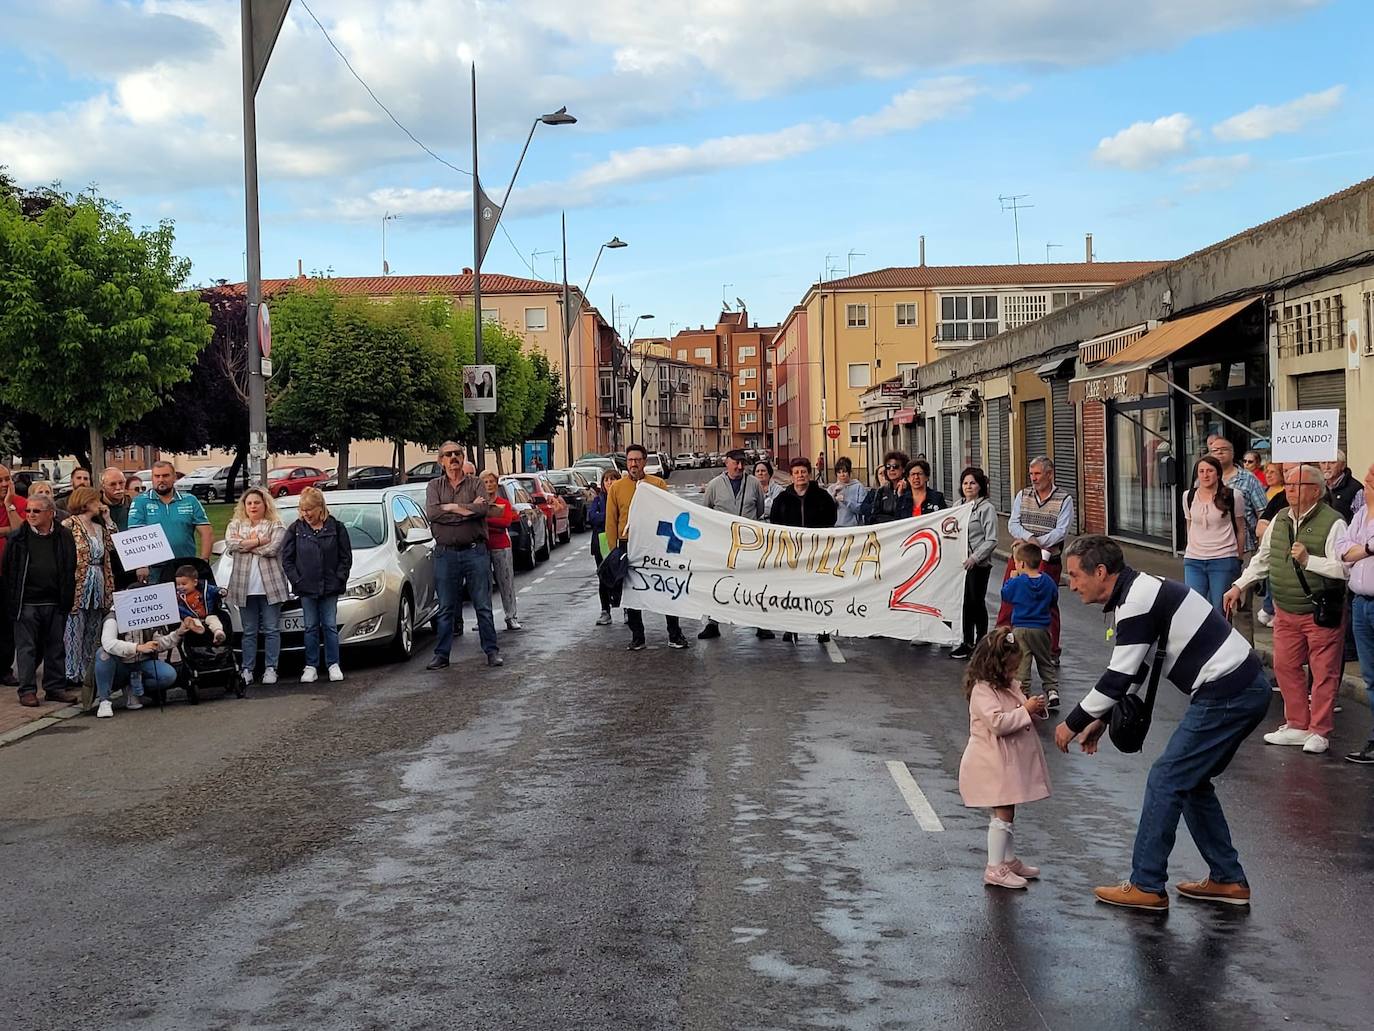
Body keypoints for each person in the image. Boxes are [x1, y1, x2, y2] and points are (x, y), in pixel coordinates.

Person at [1056, 535, 1269, 911]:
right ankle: (1228, 879)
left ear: (1101, 572)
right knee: (1190, 780)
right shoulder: (1137, 591)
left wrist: (1071, 723)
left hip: (1229, 690)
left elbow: (1118, 676)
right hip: (1239, 686)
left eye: (1074, 575)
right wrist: (1102, 719)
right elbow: (1135, 666)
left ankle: (1147, 884)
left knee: (1167, 778)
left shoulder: (1137, 599)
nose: (1070, 584)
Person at [1223, 464, 1348, 756]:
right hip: (1286, 610)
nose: (1289, 490)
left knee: (1323, 672)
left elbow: (1345, 568)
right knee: (1285, 666)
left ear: (1315, 491)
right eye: (1288, 485)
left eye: (1296, 485)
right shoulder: (1280, 519)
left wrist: (1309, 561)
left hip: (1320, 610)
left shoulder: (1334, 523)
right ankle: (1297, 724)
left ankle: (1319, 730)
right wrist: (1239, 586)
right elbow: (1262, 560)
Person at [958, 626, 1050, 889]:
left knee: (1008, 809)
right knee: (1004, 811)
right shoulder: (982, 691)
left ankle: (1007, 860)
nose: (1014, 673)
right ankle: (995, 867)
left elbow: (1018, 709)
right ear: (995, 666)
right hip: (992, 763)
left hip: (1005, 762)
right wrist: (1026, 710)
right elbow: (998, 723)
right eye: (1010, 668)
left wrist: (1033, 708)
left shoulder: (1007, 685)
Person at [424, 443, 501, 669]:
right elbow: (433, 513)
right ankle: (442, 655)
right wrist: (465, 510)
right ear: (441, 461)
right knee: (446, 608)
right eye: (448, 455)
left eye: (457, 453)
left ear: (462, 456)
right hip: (446, 554)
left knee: (483, 606)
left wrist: (450, 508)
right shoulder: (434, 486)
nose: (453, 458)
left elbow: (482, 510)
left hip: (475, 552)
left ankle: (491, 651)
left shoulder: (476, 483)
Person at [606, 443, 687, 651]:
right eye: (630, 460)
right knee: (632, 592)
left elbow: (668, 513)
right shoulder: (616, 488)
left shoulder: (657, 484)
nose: (634, 464)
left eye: (638, 460)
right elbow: (611, 521)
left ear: (644, 462)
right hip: (628, 545)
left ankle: (674, 634)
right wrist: (613, 551)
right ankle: (637, 636)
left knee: (667, 587)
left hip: (654, 544)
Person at [996, 456, 1074, 661]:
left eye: (1037, 473)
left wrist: (1035, 542)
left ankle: (1051, 650)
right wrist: (1030, 539)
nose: (1033, 478)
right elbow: (1013, 523)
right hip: (1020, 556)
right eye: (1031, 474)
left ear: (1050, 474)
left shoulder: (1064, 499)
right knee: (1010, 598)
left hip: (1048, 560)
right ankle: (1001, 644)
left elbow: (1061, 531)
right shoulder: (1023, 495)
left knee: (1047, 603)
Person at [3, 494, 78, 707]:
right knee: (26, 649)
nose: (30, 515)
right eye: (28, 511)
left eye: (36, 511)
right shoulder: (18, 538)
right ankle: (26, 691)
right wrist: (13, 600)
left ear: (50, 513)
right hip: (26, 603)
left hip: (55, 601)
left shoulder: (64, 535)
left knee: (55, 647)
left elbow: (70, 566)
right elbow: (9, 570)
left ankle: (55, 688)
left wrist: (67, 596)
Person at [282, 487, 353, 683]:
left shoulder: (336, 528)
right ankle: (311, 665)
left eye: (309, 509)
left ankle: (333, 663)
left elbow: (345, 557)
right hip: (306, 587)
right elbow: (287, 559)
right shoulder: (295, 530)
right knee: (311, 627)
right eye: (303, 510)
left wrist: (340, 578)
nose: (306, 514)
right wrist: (297, 579)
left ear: (320, 508)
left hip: (330, 586)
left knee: (329, 625)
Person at [224, 487, 289, 686]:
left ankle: (271, 668)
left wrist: (246, 545)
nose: (253, 506)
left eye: (257, 503)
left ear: (265, 505)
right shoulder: (235, 524)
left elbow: (273, 549)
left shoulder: (276, 524)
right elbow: (231, 544)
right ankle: (247, 669)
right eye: (249, 503)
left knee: (271, 629)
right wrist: (260, 540)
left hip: (270, 586)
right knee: (249, 631)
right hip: (244, 587)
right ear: (244, 506)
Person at [698, 449, 765, 640]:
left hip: (749, 544)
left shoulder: (753, 484)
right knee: (718, 582)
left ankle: (762, 623)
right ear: (726, 463)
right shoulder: (714, 485)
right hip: (722, 544)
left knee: (755, 584)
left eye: (742, 462)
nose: (739, 466)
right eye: (735, 462)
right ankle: (712, 622)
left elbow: (759, 510)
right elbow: (707, 511)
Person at [770, 456, 838, 644]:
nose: (800, 475)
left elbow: (831, 520)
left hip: (817, 554)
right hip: (791, 555)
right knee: (791, 592)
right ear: (791, 476)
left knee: (819, 592)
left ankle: (822, 628)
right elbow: (775, 524)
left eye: (803, 472)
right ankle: (791, 627)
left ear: (809, 474)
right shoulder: (782, 499)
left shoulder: (823, 497)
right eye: (796, 472)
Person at [60, 486, 115, 690]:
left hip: (98, 579)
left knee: (93, 627)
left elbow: (113, 545)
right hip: (78, 581)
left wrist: (108, 519)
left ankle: (87, 670)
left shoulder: (99, 527)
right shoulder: (69, 525)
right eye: (96, 500)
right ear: (86, 502)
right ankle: (71, 671)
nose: (100, 503)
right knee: (74, 627)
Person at [1338, 461, 1374, 764]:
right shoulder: (1361, 513)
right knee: (1370, 676)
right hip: (1361, 603)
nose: (1369, 478)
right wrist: (1365, 548)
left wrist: (1359, 548)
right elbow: (1343, 549)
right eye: (1370, 473)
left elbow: (1356, 548)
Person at [127, 460, 212, 581]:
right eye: (157, 476)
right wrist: (141, 565)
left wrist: (204, 561)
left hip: (185, 567)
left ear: (174, 477)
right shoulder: (141, 502)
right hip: (155, 569)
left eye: (165, 475)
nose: (161, 479)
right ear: (152, 478)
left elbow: (206, 532)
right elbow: (135, 534)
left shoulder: (190, 500)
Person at [1181, 456, 1245, 614]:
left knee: (1220, 609)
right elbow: (1190, 525)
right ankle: (1200, 639)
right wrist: (1190, 548)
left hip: (1223, 559)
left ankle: (1222, 639)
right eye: (1201, 471)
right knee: (1194, 607)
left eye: (1210, 471)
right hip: (1194, 559)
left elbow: (1241, 529)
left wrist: (1239, 558)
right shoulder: (1188, 496)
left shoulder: (1233, 496)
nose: (1205, 475)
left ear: (1218, 474)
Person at [91, 611, 185, 719]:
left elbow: (158, 643)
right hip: (119, 666)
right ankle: (104, 701)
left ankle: (133, 687)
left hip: (141, 664)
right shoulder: (113, 618)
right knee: (103, 654)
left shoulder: (145, 612)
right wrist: (137, 647)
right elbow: (108, 643)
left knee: (169, 675)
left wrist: (179, 633)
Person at [1001, 542, 1059, 706]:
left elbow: (1006, 596)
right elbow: (1054, 599)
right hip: (1041, 628)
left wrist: (1011, 580)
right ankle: (1052, 691)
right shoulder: (1048, 581)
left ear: (1022, 564)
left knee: (1023, 662)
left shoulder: (1017, 582)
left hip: (1020, 627)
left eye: (1016, 562)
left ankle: (1023, 693)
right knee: (1045, 661)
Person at [951, 467, 998, 661]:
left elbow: (992, 539)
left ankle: (981, 641)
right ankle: (966, 641)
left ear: (980, 486)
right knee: (964, 604)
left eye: (972, 483)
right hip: (960, 565)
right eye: (965, 483)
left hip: (978, 564)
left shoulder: (986, 509)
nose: (968, 486)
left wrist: (975, 557)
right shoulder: (958, 506)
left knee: (976, 602)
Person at [1207, 437, 1266, 552]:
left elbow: (1262, 512)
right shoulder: (1204, 480)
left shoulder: (1248, 479)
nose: (1219, 452)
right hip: (1211, 547)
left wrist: (1262, 543)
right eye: (1215, 450)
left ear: (1232, 453)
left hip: (1243, 547)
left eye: (1224, 449)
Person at [481, 470, 521, 632]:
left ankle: (511, 616)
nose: (489, 485)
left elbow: (505, 522)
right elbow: (475, 521)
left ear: (496, 484)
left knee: (506, 582)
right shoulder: (479, 504)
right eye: (485, 482)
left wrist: (486, 521)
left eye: (491, 481)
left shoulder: (503, 502)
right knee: (483, 585)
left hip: (501, 546)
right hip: (482, 547)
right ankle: (484, 618)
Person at [0, 465, 28, 688]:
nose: (4, 484)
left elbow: (20, 531)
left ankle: (4, 669)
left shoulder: (18, 503)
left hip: (9, 575)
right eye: (0, 480)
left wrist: (8, 504)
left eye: (7, 479)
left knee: (7, 624)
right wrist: (5, 530)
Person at [589, 469, 622, 626]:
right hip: (601, 543)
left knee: (622, 576)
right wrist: (611, 516)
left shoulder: (622, 498)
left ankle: (627, 609)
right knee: (603, 576)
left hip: (620, 542)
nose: (609, 482)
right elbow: (593, 517)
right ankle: (605, 610)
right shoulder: (598, 500)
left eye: (612, 479)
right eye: (606, 480)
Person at [173, 564, 228, 646]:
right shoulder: (178, 597)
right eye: (178, 584)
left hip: (207, 614)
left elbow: (213, 590)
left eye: (184, 584)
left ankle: (218, 632)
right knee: (192, 621)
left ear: (195, 582)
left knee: (214, 619)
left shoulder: (204, 589)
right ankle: (198, 628)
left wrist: (221, 591)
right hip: (192, 617)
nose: (180, 587)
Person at [860, 450, 909, 524]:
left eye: (895, 466)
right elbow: (873, 516)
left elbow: (907, 517)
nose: (891, 469)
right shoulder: (882, 491)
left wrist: (900, 496)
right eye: (888, 467)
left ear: (903, 469)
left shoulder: (910, 490)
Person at [1320, 450, 1362, 522]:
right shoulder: (1318, 488)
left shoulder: (1355, 489)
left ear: (1343, 465)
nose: (1326, 467)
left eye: (1332, 463)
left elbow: (1361, 519)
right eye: (1323, 463)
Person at [828, 457, 869, 528]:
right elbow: (825, 510)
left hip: (853, 527)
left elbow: (861, 509)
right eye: (839, 472)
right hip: (835, 527)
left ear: (849, 472)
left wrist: (845, 500)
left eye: (844, 472)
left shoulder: (858, 487)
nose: (842, 475)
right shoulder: (831, 488)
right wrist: (833, 497)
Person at [99, 467, 132, 532]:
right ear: (103, 487)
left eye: (121, 483)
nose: (118, 487)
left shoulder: (133, 505)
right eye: (112, 484)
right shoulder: (95, 508)